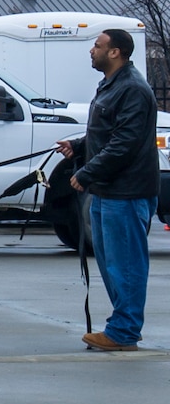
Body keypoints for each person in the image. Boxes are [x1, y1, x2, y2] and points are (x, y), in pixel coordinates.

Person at [55, 28, 159, 352]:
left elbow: (125, 144)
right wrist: (78, 146)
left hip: (126, 193)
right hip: (107, 191)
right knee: (111, 263)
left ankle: (124, 332)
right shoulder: (112, 86)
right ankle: (121, 328)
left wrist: (87, 173)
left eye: (97, 46)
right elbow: (107, 134)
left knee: (126, 264)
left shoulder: (132, 90)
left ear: (115, 52)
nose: (92, 50)